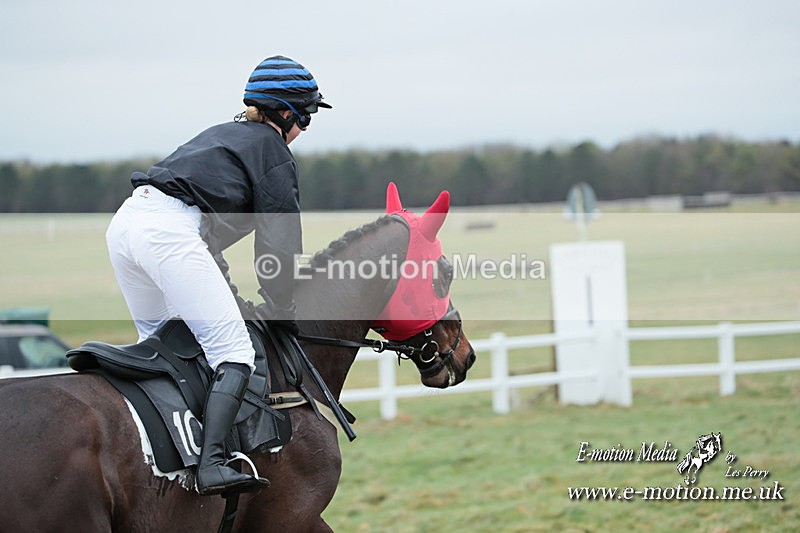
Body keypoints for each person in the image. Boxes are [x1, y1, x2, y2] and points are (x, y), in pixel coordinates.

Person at [105, 55, 331, 495]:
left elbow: (207, 237)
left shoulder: (221, 135)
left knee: (167, 349)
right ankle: (211, 464)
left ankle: (162, 455)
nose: (305, 129)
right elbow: (278, 244)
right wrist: (283, 310)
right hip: (168, 235)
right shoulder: (272, 150)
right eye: (307, 116)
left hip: (126, 225)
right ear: (287, 113)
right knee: (234, 352)